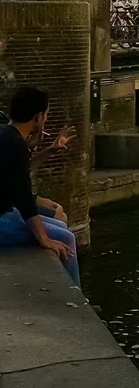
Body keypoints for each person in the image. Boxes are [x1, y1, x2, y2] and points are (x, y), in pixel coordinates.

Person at [0, 88, 78, 285]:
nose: (46, 119)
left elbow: (17, 173)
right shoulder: (14, 144)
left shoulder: (7, 135)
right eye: (46, 114)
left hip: (5, 211)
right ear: (38, 117)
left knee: (60, 224)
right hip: (2, 218)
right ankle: (75, 299)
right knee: (66, 238)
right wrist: (44, 239)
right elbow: (24, 197)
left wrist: (48, 150)